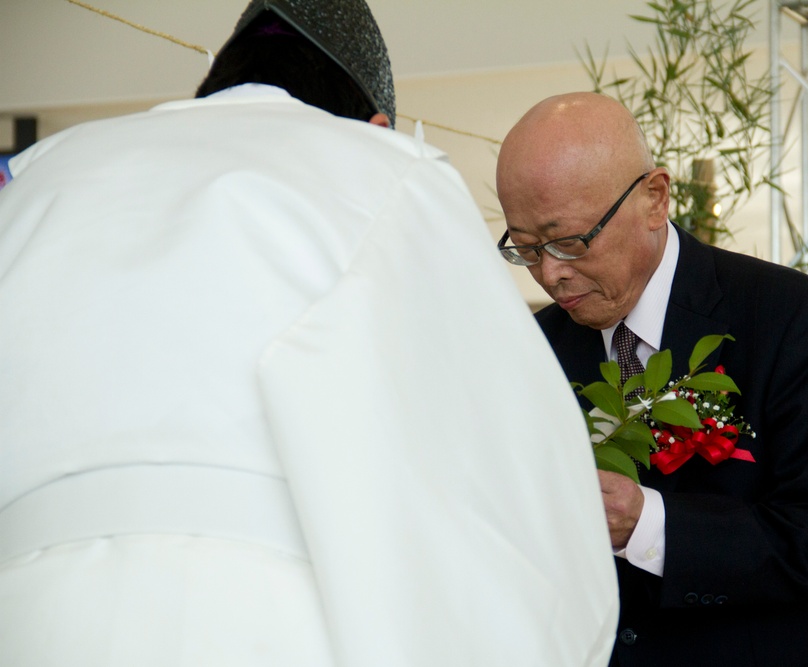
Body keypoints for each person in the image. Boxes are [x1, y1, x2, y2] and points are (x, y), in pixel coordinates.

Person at [0, 3, 618, 666]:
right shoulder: (390, 168)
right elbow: (513, 461)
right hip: (272, 618)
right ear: (375, 126)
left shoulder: (37, 176)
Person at [495, 92, 808, 666]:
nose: (551, 274)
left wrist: (647, 523)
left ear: (655, 199)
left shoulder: (792, 319)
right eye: (526, 249)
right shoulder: (533, 350)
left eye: (569, 241)